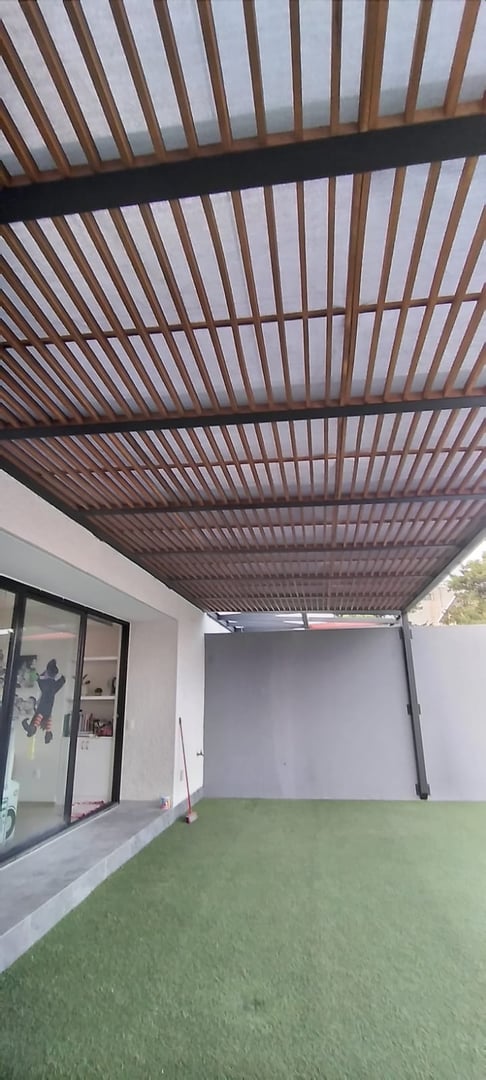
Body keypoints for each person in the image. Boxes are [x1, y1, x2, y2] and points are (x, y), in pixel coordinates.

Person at [22, 660, 65, 745]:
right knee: (45, 716)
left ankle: (34, 729)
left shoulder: (45, 683)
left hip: (44, 705)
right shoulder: (53, 685)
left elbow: (37, 678)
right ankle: (47, 733)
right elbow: (63, 680)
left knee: (40, 716)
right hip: (49, 706)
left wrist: (37, 673)